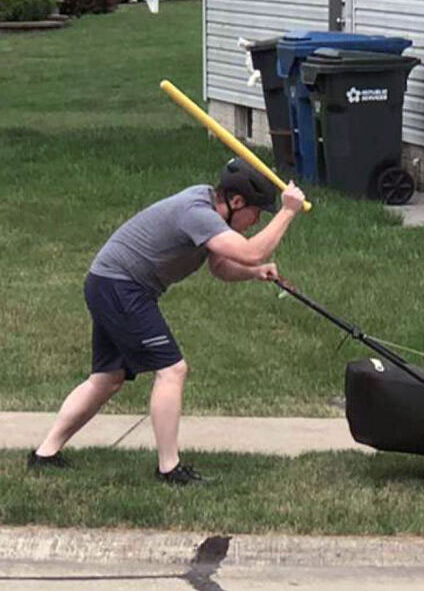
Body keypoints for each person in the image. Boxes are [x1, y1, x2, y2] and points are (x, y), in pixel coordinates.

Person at [28, 158, 306, 485]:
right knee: (172, 370)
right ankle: (169, 469)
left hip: (110, 283)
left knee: (106, 378)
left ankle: (44, 455)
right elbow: (248, 251)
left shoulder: (210, 214)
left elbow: (221, 267)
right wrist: (287, 212)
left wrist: (255, 273)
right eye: (256, 213)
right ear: (236, 202)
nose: (256, 221)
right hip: (122, 287)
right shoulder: (197, 212)